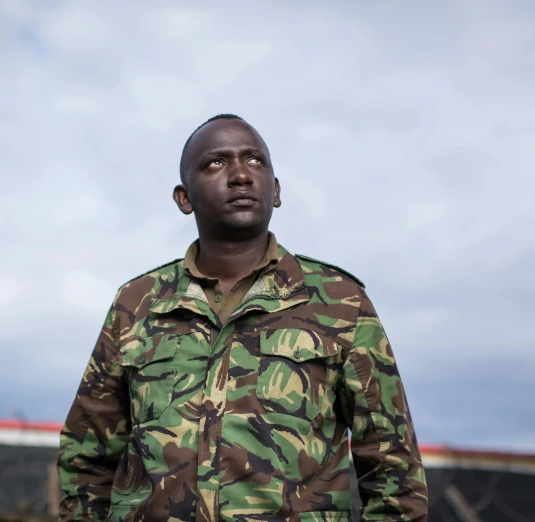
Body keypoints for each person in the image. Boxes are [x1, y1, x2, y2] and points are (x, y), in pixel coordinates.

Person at [57, 114, 428, 522]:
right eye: (216, 163)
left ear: (277, 190)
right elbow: (86, 457)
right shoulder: (136, 304)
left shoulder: (340, 301)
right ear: (184, 198)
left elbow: (394, 467)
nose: (239, 175)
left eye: (255, 161)